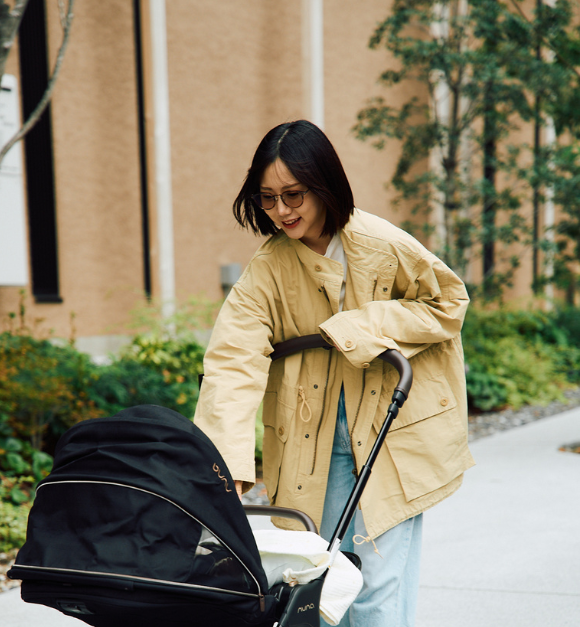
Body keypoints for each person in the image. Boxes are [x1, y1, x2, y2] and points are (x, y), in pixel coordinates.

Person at [194, 120, 475, 627]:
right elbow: (232, 361)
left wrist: (362, 325)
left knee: (375, 596)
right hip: (311, 443)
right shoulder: (269, 269)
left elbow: (449, 302)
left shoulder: (380, 243)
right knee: (319, 588)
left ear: (323, 185)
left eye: (293, 195)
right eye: (268, 198)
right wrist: (226, 468)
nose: (281, 211)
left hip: (391, 437)